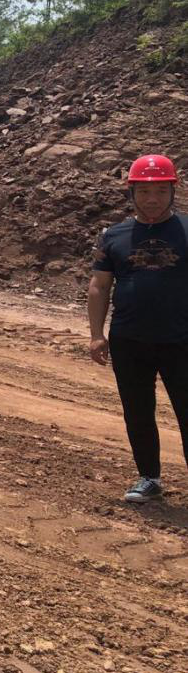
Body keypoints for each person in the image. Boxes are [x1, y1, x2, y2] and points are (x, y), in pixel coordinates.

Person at [88, 153, 188, 504]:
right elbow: (99, 286)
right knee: (138, 411)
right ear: (132, 192)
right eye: (144, 191)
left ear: (173, 191)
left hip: (181, 340)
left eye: (160, 191)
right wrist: (97, 334)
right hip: (129, 340)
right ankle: (149, 478)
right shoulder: (113, 235)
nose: (152, 199)